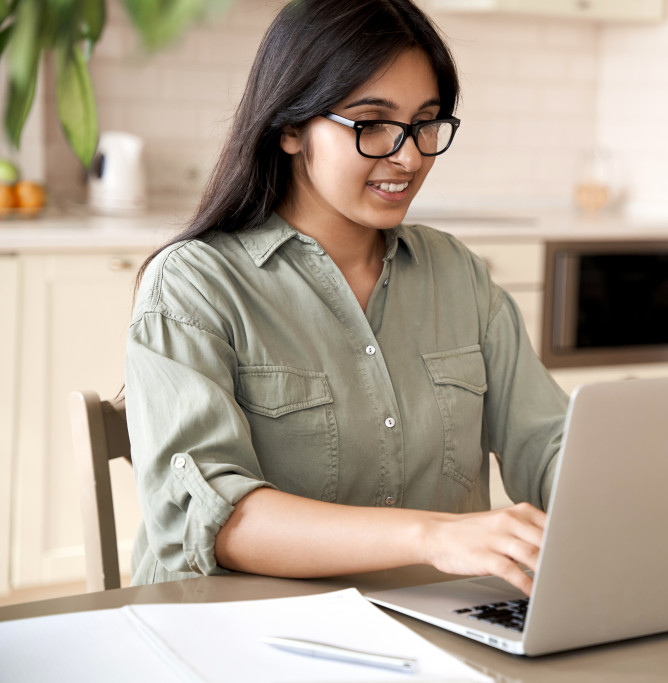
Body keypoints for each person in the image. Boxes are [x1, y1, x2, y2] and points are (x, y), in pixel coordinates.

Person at [125, 0, 568, 596]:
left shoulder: (458, 275)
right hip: (243, 634)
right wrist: (433, 537)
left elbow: (548, 445)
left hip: (434, 625)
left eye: (424, 123)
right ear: (290, 128)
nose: (408, 156)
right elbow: (213, 516)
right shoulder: (195, 284)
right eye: (372, 124)